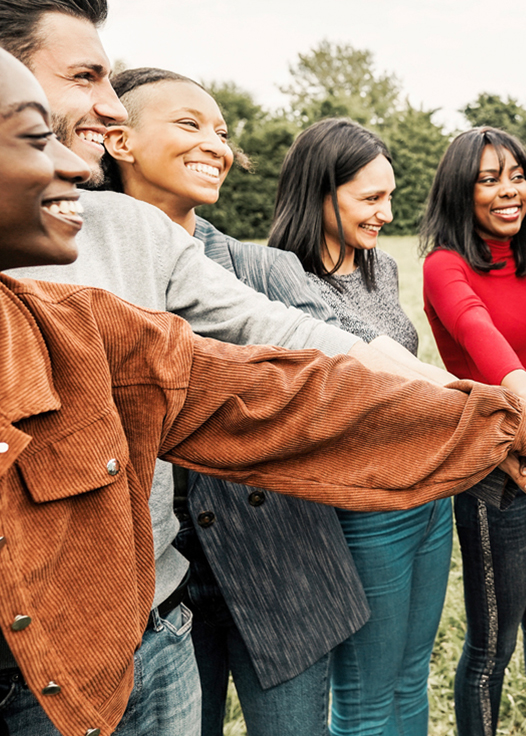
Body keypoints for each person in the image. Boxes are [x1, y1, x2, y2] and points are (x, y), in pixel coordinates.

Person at [0, 46, 526, 736]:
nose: (218, 146)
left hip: (239, 579)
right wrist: (500, 419)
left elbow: (299, 355)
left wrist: (497, 420)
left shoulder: (198, 264)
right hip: (100, 606)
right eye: (36, 135)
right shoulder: (61, 287)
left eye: (224, 131)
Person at [0, 0, 444, 736]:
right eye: (85, 77)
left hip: (176, 609)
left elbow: (308, 338)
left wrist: (464, 406)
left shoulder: (152, 241)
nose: (109, 105)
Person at [101, 66, 368, 736]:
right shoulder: (80, 270)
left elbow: (349, 373)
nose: (217, 145)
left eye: (222, 132)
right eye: (189, 124)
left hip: (282, 573)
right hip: (151, 589)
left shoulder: (266, 269)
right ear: (117, 139)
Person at [267, 117, 457, 736]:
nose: (387, 213)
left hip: (429, 495)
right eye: (370, 199)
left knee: (412, 673)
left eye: (391, 195)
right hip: (365, 506)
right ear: (320, 192)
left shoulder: (379, 267)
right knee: (367, 694)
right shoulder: (280, 279)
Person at [420, 127, 526, 736]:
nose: (510, 190)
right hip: (499, 471)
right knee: (492, 648)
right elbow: (482, 337)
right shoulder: (444, 264)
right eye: (490, 179)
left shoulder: (522, 262)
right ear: (462, 191)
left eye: (517, 175)